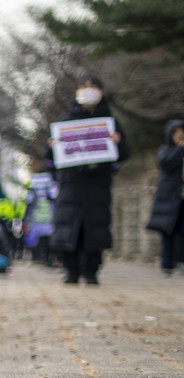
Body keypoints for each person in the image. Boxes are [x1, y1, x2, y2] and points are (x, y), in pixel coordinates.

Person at [46, 75, 131, 286]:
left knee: (95, 231)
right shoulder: (65, 122)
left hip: (97, 187)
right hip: (71, 188)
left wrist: (117, 144)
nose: (89, 91)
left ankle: (91, 271)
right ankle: (71, 271)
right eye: (84, 87)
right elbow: (48, 158)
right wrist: (51, 147)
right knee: (70, 231)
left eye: (93, 87)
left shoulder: (110, 123)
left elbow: (124, 153)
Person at [147, 120, 184, 277]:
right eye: (176, 133)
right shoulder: (165, 151)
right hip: (169, 198)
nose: (180, 136)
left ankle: (181, 261)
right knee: (168, 231)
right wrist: (180, 148)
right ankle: (167, 264)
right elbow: (166, 164)